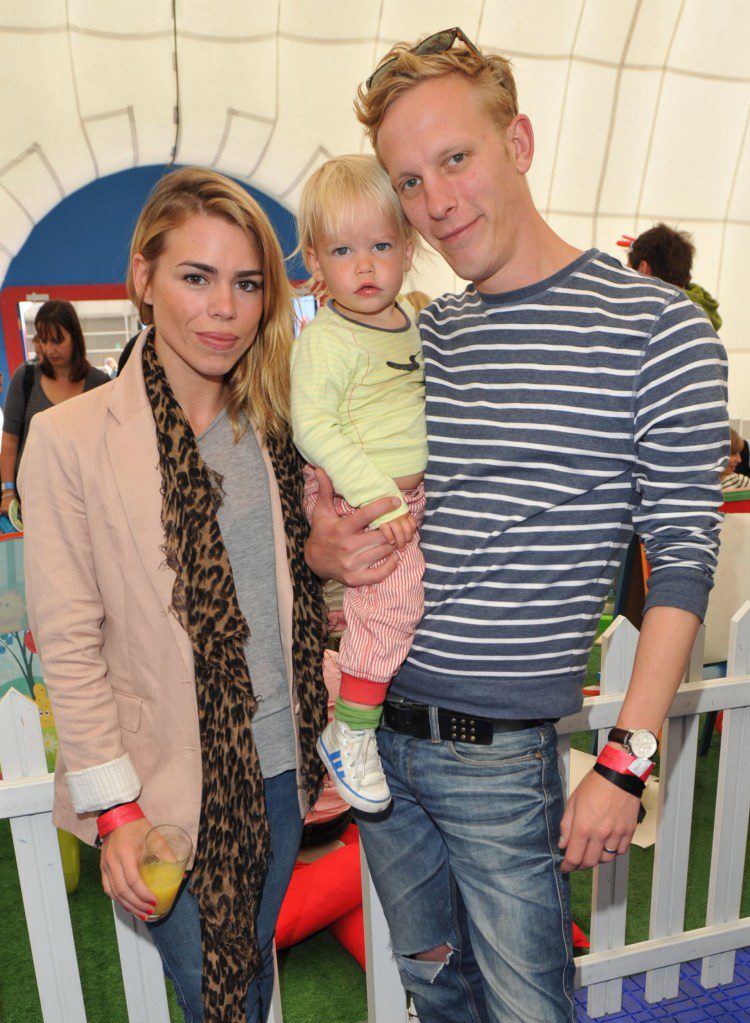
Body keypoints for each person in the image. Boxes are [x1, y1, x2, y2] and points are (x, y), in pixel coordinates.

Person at [304, 29, 729, 1023]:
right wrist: (320, 547)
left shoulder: (656, 330)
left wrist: (625, 762)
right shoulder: (416, 337)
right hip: (375, 741)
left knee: (529, 1008)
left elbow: (682, 567)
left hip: (501, 759)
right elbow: (322, 487)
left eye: (456, 159)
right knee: (434, 993)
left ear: (520, 142)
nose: (438, 202)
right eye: (409, 182)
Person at [19, 168, 328, 1023]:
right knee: (219, 996)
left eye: (245, 283)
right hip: (160, 790)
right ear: (143, 278)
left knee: (247, 984)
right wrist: (116, 810)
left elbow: (306, 596)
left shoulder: (280, 428)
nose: (222, 307)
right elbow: (71, 643)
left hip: (279, 768)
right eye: (195, 277)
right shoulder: (69, 439)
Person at [291, 154, 426, 817]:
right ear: (316, 259)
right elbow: (314, 427)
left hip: (407, 499)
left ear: (408, 246)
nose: (365, 266)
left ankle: (338, 685)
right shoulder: (327, 339)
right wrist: (382, 496)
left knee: (384, 616)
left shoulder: (410, 324)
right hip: (370, 501)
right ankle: (350, 731)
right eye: (344, 250)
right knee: (393, 604)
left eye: (380, 245)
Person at [1, 301, 108, 515]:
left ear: (75, 338)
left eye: (58, 340)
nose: (49, 349)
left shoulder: (99, 383)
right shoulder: (25, 378)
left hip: (85, 501)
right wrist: (8, 492)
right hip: (32, 501)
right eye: (44, 340)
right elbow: (10, 439)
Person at [625, 222, 722, 331]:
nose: (627, 278)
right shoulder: (698, 310)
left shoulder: (656, 319)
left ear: (643, 268)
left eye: (629, 270)